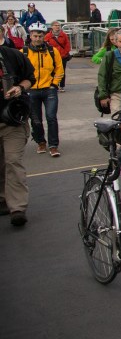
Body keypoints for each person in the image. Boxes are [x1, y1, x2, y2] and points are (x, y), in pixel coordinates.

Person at [0, 43, 35, 226]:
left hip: (11, 120)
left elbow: (30, 78)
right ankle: (3, 199)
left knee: (13, 160)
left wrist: (20, 88)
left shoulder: (13, 56)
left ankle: (18, 207)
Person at [24, 22, 64, 157]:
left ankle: (53, 145)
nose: (37, 38)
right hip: (32, 90)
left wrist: (54, 84)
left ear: (44, 36)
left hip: (49, 89)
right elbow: (19, 71)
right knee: (35, 119)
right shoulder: (24, 52)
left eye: (40, 36)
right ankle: (41, 142)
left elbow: (59, 68)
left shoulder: (52, 51)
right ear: (30, 36)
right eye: (35, 36)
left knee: (51, 117)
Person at [97, 29, 121, 114]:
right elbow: (102, 75)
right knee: (116, 119)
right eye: (120, 41)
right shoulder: (110, 56)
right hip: (116, 94)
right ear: (116, 42)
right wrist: (103, 96)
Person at [45, 21, 71, 91]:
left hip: (62, 56)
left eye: (59, 25)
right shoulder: (48, 36)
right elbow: (45, 45)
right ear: (52, 27)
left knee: (62, 71)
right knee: (52, 71)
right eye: (55, 25)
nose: (57, 27)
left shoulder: (64, 35)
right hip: (52, 56)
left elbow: (67, 45)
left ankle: (62, 86)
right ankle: (54, 85)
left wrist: (65, 53)